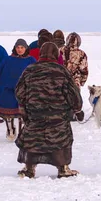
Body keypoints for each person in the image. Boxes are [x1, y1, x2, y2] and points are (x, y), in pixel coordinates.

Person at [15, 42, 83, 178]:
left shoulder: (30, 70)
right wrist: (77, 108)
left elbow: (19, 92)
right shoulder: (62, 71)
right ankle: (63, 168)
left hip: (35, 115)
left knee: (32, 139)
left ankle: (29, 168)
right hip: (58, 117)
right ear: (56, 55)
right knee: (61, 139)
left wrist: (26, 106)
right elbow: (73, 95)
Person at [0, 39, 36, 136]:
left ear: (26, 48)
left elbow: (37, 73)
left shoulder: (31, 60)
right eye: (17, 47)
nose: (19, 49)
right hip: (8, 90)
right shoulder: (8, 59)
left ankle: (22, 132)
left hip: (24, 91)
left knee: (22, 114)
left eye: (22, 47)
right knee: (7, 114)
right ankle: (10, 128)